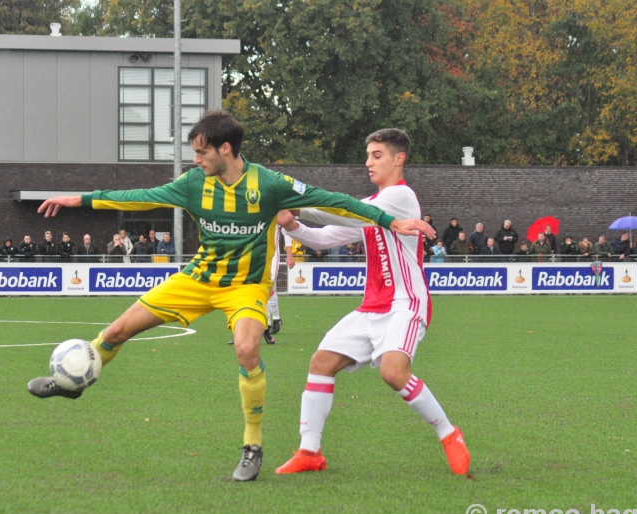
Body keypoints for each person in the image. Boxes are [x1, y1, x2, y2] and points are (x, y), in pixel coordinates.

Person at [26, 110, 434, 483]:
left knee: (246, 349)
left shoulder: (270, 184)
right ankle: (75, 381)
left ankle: (252, 446)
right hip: (197, 279)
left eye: (202, 152)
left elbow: (333, 201)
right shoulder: (192, 184)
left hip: (246, 287)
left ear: (226, 149)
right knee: (116, 331)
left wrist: (388, 220)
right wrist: (77, 199)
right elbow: (139, 197)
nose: (196, 160)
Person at [274, 128, 468, 477]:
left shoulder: (400, 197)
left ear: (399, 159)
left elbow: (345, 215)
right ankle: (309, 452)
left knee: (393, 372)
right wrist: (292, 226)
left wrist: (296, 203)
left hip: (406, 303)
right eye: (368, 155)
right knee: (320, 362)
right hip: (372, 307)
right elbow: (323, 238)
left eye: (376, 155)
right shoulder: (371, 209)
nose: (368, 162)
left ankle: (450, 434)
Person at [267, 227, 295, 337]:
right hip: (257, 257)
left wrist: (289, 255)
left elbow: (287, 232)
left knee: (267, 288)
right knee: (261, 289)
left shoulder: (276, 213)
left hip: (272, 257)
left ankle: (269, 323)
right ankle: (274, 320)